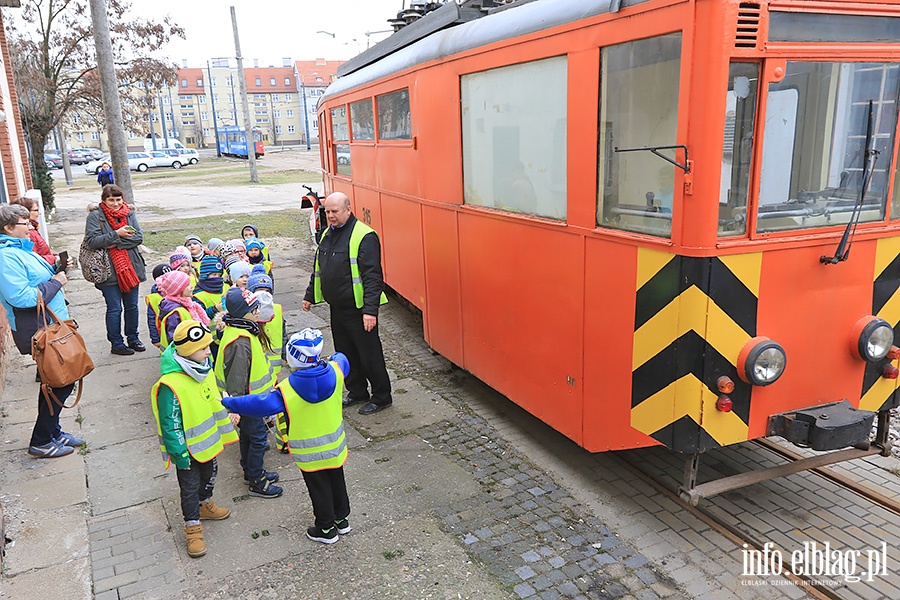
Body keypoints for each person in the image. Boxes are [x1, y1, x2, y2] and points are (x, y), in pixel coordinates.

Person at [222, 328, 350, 544]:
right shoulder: (336, 371)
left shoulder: (287, 389)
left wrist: (230, 402)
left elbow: (259, 404)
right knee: (337, 479)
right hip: (335, 445)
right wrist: (328, 359)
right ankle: (342, 520)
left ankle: (326, 529)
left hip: (309, 453)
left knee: (318, 488)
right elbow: (342, 358)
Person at [0, 204, 85, 458]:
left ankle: (53, 432)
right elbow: (21, 297)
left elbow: (37, 279)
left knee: (57, 380)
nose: (31, 226)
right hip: (39, 329)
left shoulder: (21, 249)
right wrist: (56, 282)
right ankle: (41, 440)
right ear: (8, 228)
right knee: (59, 382)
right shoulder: (6, 257)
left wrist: (58, 269)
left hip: (53, 324)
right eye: (25, 223)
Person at [150, 320, 238, 558]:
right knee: (189, 488)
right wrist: (179, 454)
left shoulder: (202, 367)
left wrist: (228, 412)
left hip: (208, 443)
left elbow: (212, 396)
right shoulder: (170, 385)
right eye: (203, 348)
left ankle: (205, 504)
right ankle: (192, 527)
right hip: (187, 451)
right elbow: (171, 422)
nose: (209, 352)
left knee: (209, 475)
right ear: (188, 352)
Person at [302, 192, 392, 416]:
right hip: (338, 308)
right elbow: (319, 269)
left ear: (348, 210)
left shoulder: (364, 236)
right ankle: (357, 391)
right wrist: (309, 295)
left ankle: (382, 397)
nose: (330, 216)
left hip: (359, 310)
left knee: (369, 355)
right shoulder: (327, 234)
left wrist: (370, 311)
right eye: (327, 211)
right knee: (345, 354)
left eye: (335, 211)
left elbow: (373, 276)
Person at [214, 287, 282, 498]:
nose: (256, 311)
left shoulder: (240, 330)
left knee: (248, 437)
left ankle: (251, 471)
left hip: (252, 400)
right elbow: (237, 377)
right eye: (253, 308)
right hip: (250, 401)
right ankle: (257, 481)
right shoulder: (241, 340)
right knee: (258, 439)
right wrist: (236, 406)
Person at [84, 184, 147, 355]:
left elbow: (138, 238)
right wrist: (117, 234)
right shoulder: (95, 217)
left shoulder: (129, 213)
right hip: (107, 271)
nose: (115, 203)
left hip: (131, 268)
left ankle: (133, 338)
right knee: (114, 308)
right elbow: (93, 241)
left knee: (132, 306)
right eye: (111, 200)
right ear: (103, 200)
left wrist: (113, 244)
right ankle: (117, 343)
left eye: (118, 199)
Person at [156, 270, 210, 348]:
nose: (191, 286)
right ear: (178, 290)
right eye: (187, 285)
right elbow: (175, 339)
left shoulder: (187, 304)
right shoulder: (175, 312)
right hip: (186, 354)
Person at [11, 196, 56, 265]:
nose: (39, 213)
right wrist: (55, 259)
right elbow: (33, 260)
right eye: (36, 210)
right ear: (25, 212)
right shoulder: (28, 232)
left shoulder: (33, 229)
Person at [146, 263, 172, 350]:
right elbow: (151, 319)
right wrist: (155, 339)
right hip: (163, 334)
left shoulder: (180, 293)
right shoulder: (154, 298)